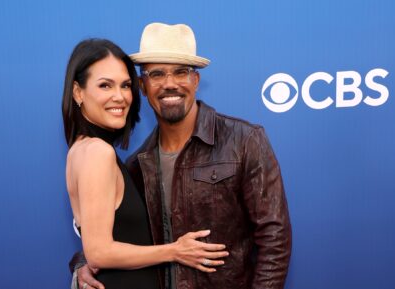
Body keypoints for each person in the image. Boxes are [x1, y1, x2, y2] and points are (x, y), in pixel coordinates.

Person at [72, 23, 292, 289]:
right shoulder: (138, 164)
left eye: (181, 72)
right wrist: (84, 263)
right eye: (157, 74)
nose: (170, 84)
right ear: (143, 86)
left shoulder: (244, 140)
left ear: (195, 81)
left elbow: (274, 239)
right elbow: (115, 231)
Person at [62, 38, 229, 289]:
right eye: (105, 85)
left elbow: (97, 240)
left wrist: (82, 262)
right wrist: (175, 251)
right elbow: (99, 252)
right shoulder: (98, 152)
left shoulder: (81, 150)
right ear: (78, 92)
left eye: (125, 85)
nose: (119, 97)